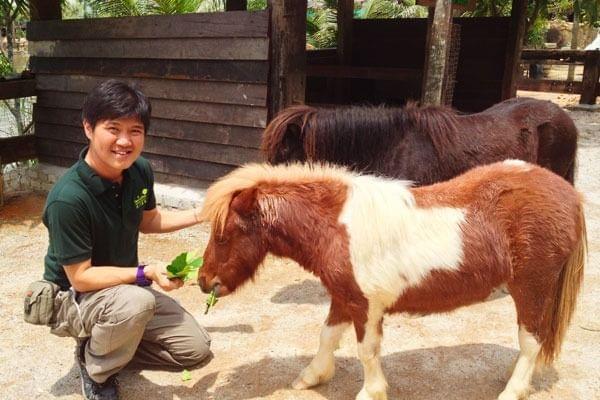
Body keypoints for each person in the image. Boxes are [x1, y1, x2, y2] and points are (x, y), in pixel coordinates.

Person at [42, 80, 211, 400]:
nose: (124, 141)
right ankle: (96, 369)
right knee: (139, 301)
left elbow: (149, 220)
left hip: (121, 292)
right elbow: (80, 276)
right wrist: (144, 273)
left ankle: (111, 345)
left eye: (135, 130)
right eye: (113, 128)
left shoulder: (139, 170)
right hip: (72, 297)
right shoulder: (67, 198)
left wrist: (203, 213)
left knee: (195, 351)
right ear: (88, 128)